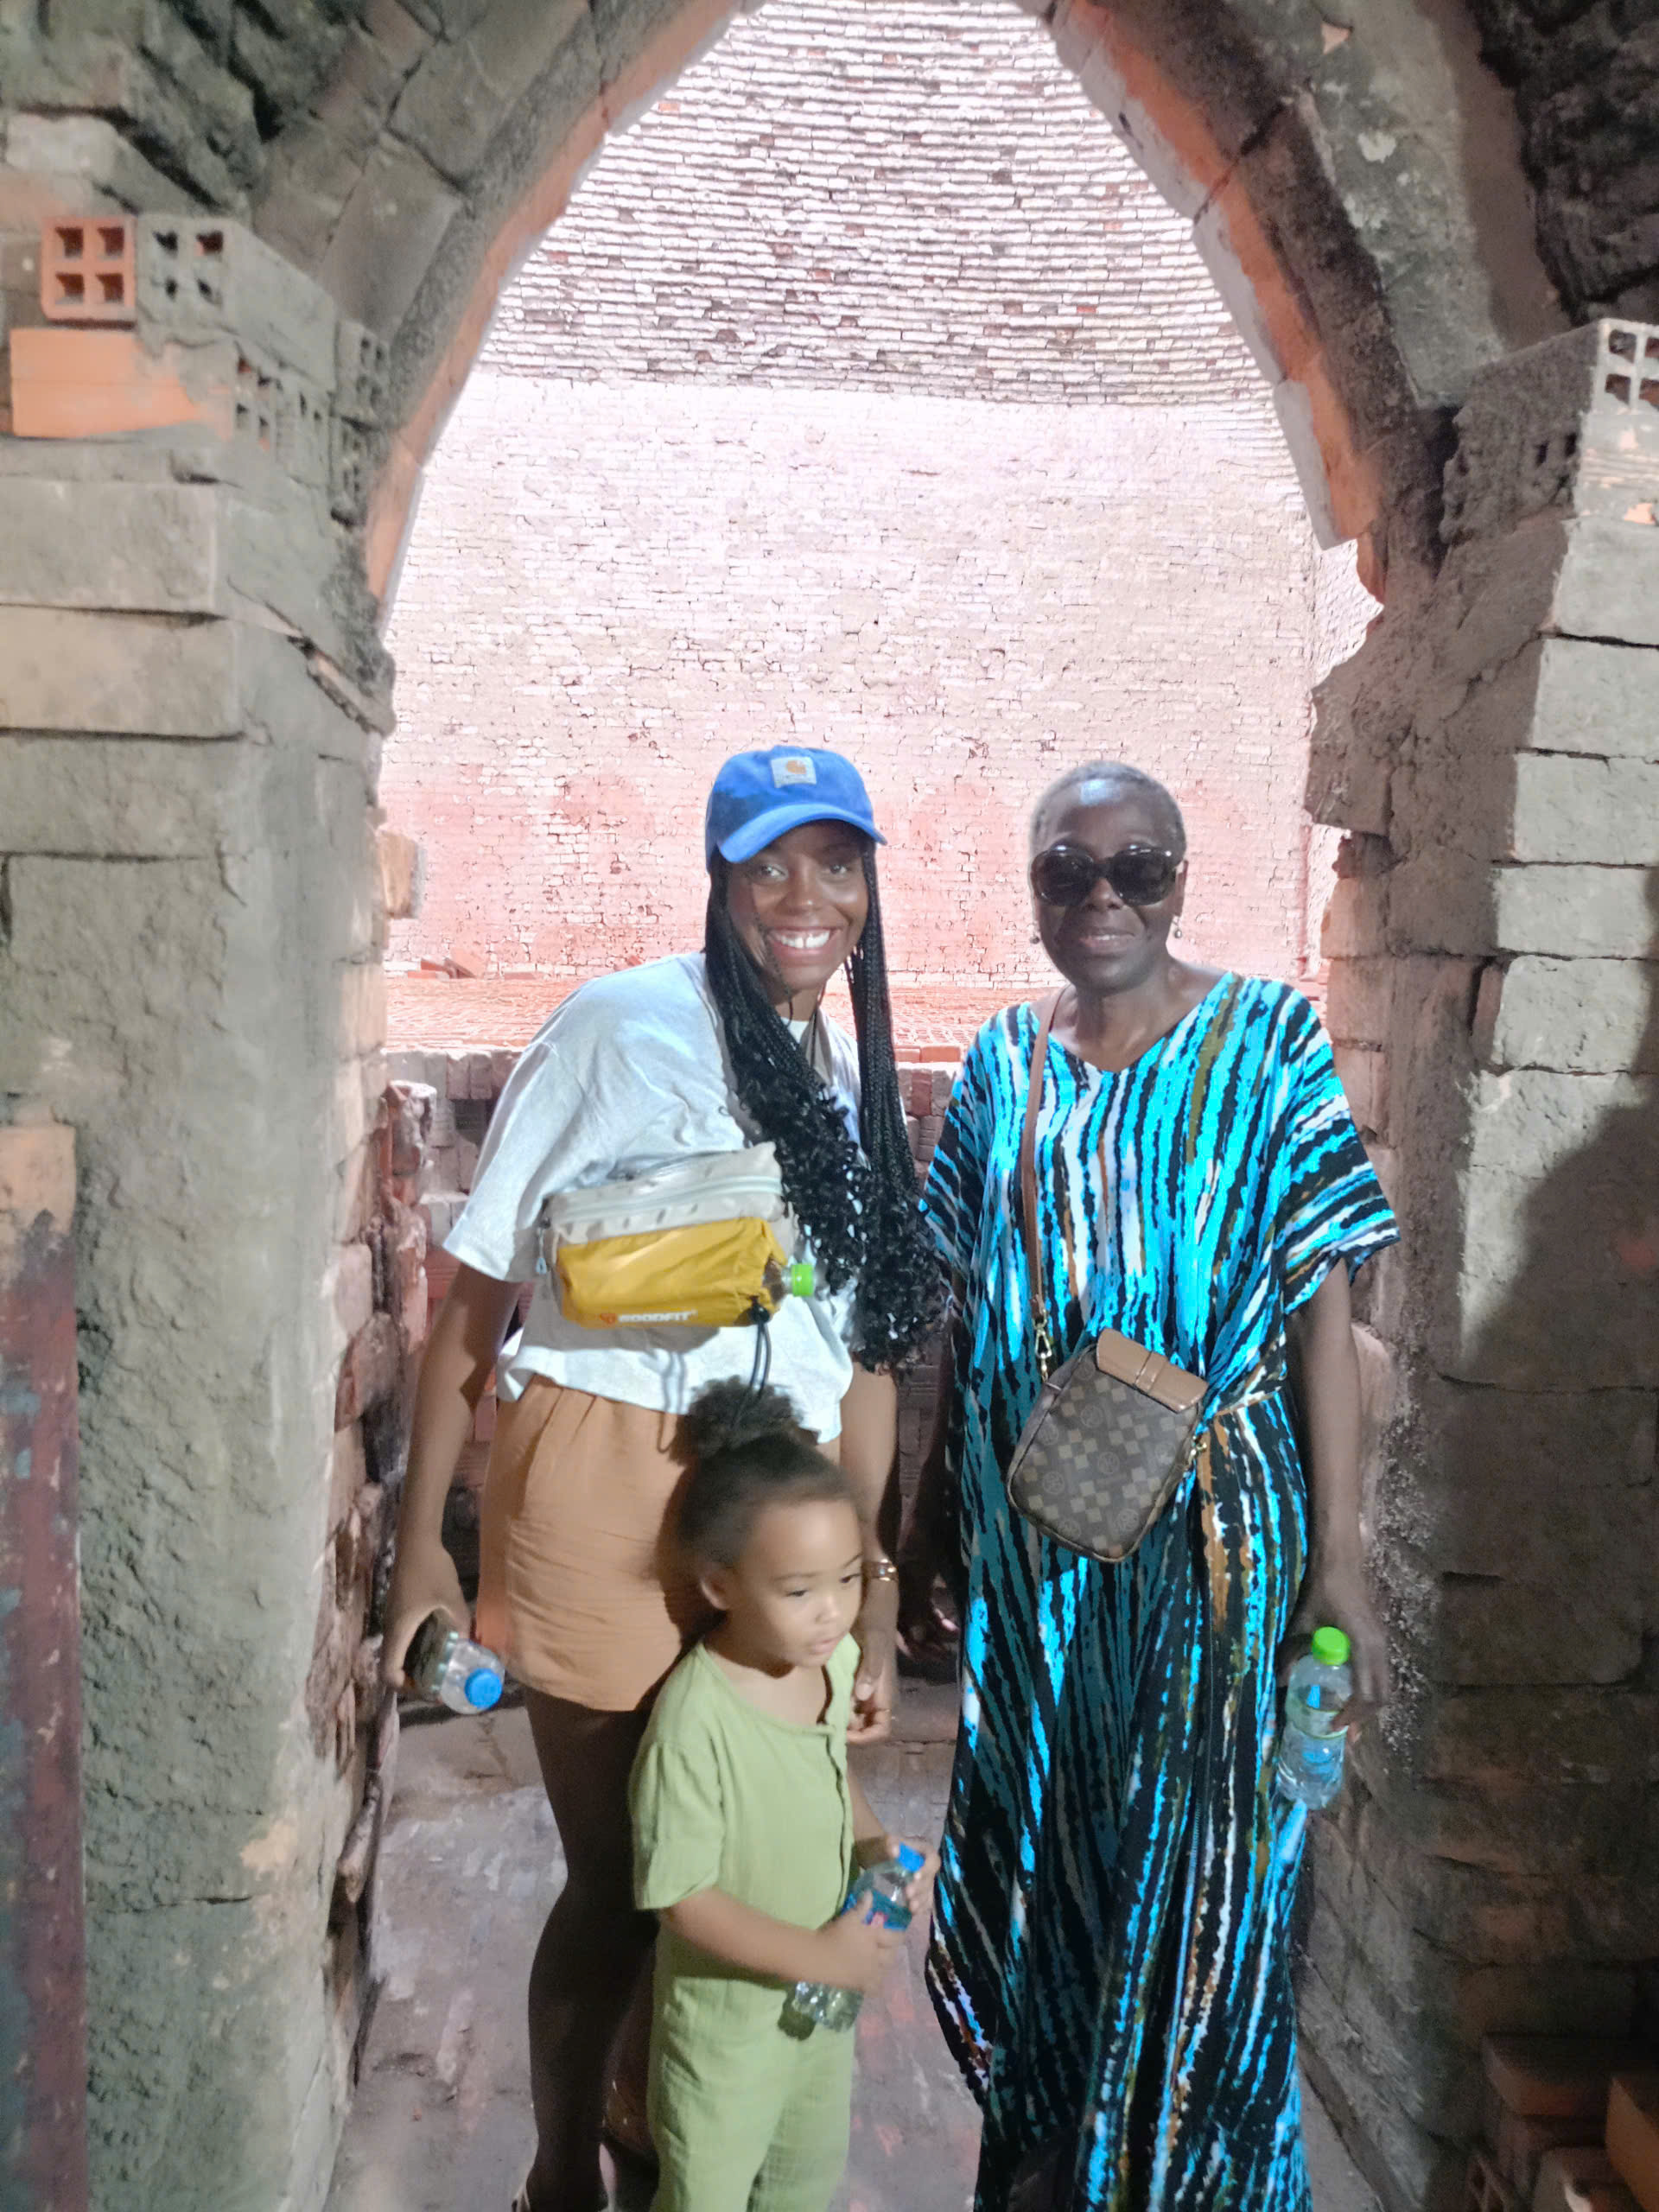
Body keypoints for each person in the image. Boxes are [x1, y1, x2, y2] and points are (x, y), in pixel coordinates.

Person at [381, 746, 938, 2212]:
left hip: (783, 1504)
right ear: (719, 882)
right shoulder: (621, 1029)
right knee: (634, 1873)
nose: (806, 896)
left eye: (838, 864)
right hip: (610, 1485)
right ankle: (561, 2173)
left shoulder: (847, 1077)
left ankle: (665, 2140)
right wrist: (421, 1550)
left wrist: (873, 1587)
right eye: (770, 865)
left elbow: (863, 1357)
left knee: (755, 1859)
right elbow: (476, 1299)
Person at [897, 761, 1399, 2211]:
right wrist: (927, 1511)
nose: (1103, 896)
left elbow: (1320, 1311)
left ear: (1183, 881)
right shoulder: (1004, 1061)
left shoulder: (1271, 1040)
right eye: (1070, 868)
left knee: (1213, 1871)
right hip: (1039, 1540)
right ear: (1035, 886)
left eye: (1139, 867)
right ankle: (1064, 2154)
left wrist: (1342, 1563)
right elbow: (967, 1312)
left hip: (1220, 1535)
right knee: (1051, 1843)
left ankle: (1189, 2176)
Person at [629, 1379, 938, 2212]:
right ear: (721, 1586)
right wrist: (823, 1956)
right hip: (724, 2045)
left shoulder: (832, 1665)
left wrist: (877, 1848)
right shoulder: (694, 1723)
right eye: (800, 1591)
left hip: (816, 2028)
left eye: (848, 1579)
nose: (833, 1614)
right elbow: (682, 1898)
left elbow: (829, 1778)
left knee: (802, 2185)